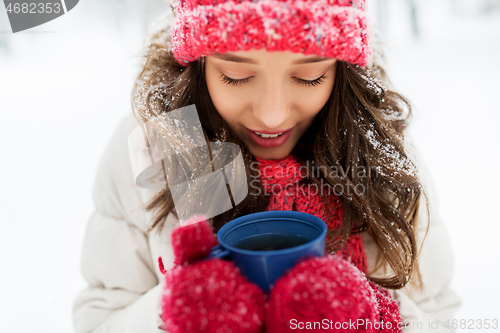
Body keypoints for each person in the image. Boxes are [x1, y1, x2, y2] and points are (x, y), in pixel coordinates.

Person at [72, 0, 462, 332]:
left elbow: (440, 314)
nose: (273, 115)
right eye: (236, 76)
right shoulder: (151, 150)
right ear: (200, 64)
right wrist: (171, 311)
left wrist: (376, 316)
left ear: (341, 68)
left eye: (309, 76)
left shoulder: (381, 154)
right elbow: (101, 318)